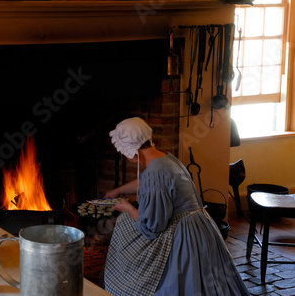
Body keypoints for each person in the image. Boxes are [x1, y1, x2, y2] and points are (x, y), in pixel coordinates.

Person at [103, 117, 249, 296]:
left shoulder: (155, 172)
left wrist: (128, 208)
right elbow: (148, 182)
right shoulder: (165, 158)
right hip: (202, 225)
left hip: (185, 235)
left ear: (132, 152)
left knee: (125, 222)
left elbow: (151, 227)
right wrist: (119, 190)